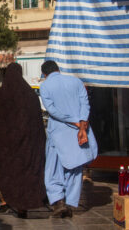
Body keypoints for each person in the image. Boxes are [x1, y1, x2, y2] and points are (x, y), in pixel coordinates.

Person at [0, 62, 46, 218]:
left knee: (6, 171)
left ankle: (6, 200)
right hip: (27, 144)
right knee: (25, 174)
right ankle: (22, 206)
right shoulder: (30, 95)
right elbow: (36, 121)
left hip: (5, 145)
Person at [39, 60, 98, 218]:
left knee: (53, 168)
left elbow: (52, 110)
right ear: (58, 69)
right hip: (77, 133)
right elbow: (85, 104)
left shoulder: (44, 86)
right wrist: (82, 125)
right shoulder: (76, 81)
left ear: (45, 74)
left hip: (58, 132)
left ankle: (58, 202)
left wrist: (73, 121)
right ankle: (70, 203)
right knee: (74, 167)